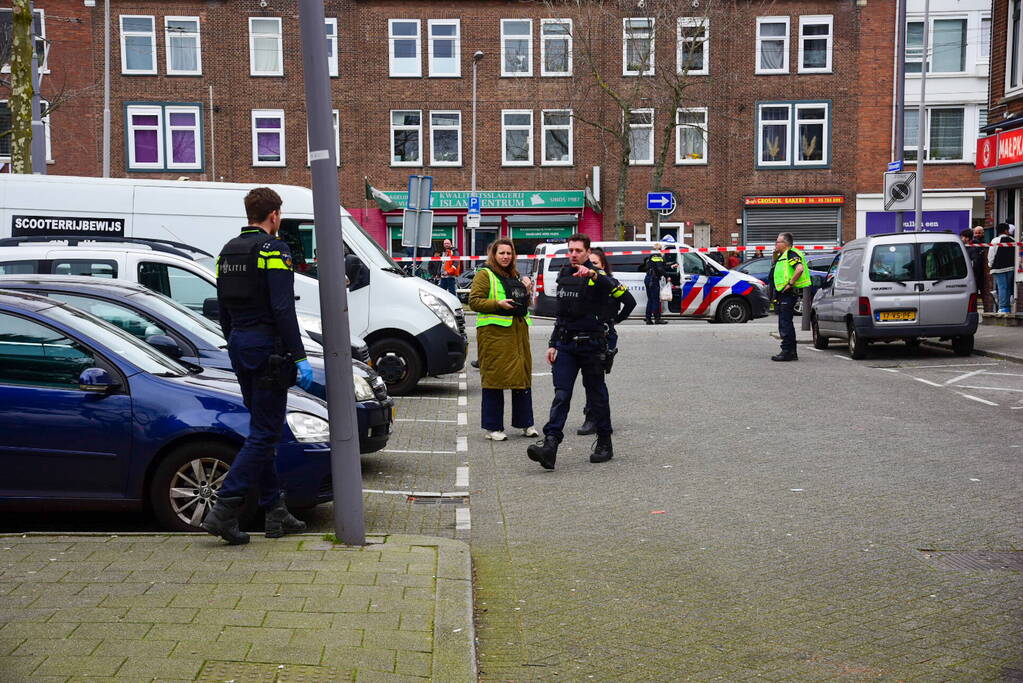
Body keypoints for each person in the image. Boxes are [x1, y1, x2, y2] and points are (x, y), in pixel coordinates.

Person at [202, 187, 315, 545]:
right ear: (274, 216)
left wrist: (235, 341)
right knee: (265, 433)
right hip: (267, 348)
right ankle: (223, 509)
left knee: (261, 428)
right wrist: (299, 355)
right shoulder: (273, 249)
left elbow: (222, 307)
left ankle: (274, 510)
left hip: (240, 345)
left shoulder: (227, 251)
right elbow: (283, 307)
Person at [527, 233, 620, 470]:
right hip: (567, 344)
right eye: (571, 250)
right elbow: (562, 313)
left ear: (588, 252)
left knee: (597, 395)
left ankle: (605, 442)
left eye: (578, 250)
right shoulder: (565, 274)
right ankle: (550, 446)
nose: (574, 255)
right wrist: (553, 343)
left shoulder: (597, 275)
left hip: (591, 345)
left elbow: (616, 291)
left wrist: (594, 275)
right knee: (561, 395)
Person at [468, 238, 538, 441]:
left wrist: (527, 290)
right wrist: (497, 303)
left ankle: (526, 424)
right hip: (494, 337)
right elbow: (474, 302)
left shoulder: (516, 275)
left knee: (522, 379)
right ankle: (493, 428)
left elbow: (522, 302)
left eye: (509, 253)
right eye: (502, 253)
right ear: (494, 255)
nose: (506, 257)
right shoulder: (485, 274)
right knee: (494, 381)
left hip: (518, 334)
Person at [577, 247, 635, 436]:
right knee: (588, 378)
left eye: (595, 263)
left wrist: (616, 319)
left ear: (603, 266)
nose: (591, 267)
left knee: (595, 377)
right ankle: (594, 416)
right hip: (584, 333)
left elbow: (630, 302)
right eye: (589, 263)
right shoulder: (581, 283)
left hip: (604, 334)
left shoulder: (610, 283)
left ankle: (593, 417)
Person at [771, 232, 810, 362]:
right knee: (786, 322)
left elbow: (799, 269)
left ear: (785, 244)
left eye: (778, 242)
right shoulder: (783, 255)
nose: (775, 244)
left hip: (788, 293)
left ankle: (787, 351)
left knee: (785, 323)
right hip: (783, 293)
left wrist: (790, 283)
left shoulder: (791, 253)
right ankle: (791, 352)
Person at [989, 223, 1016, 314]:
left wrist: (991, 264)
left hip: (998, 268)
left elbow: (991, 255)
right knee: (1008, 287)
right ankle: (1007, 307)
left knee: (1002, 287)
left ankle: (1003, 307)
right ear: (1005, 230)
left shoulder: (995, 240)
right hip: (1011, 267)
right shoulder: (1013, 240)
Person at [641, 243, 670, 325]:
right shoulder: (657, 256)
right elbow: (660, 268)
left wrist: (671, 266)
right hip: (653, 280)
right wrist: (667, 276)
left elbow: (660, 266)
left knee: (650, 299)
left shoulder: (651, 256)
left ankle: (648, 318)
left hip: (648, 279)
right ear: (661, 249)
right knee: (656, 300)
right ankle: (657, 319)